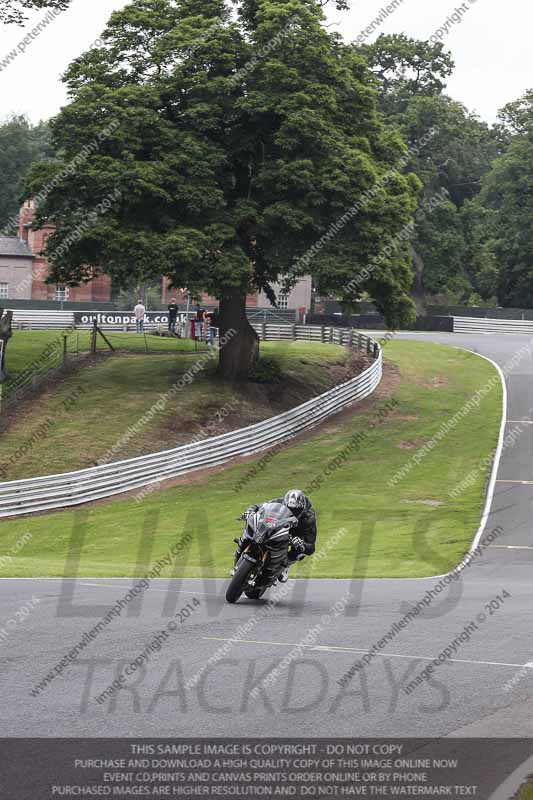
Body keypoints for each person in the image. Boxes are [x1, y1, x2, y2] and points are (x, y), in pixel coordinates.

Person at [233, 490, 317, 583]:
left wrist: (302, 544)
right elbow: (258, 507)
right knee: (252, 526)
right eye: (289, 508)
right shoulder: (279, 501)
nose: (292, 512)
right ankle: (240, 549)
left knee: (300, 552)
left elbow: (311, 546)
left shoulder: (308, 517)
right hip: (278, 524)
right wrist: (249, 511)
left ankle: (285, 566)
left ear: (302, 509)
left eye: (295, 511)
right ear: (285, 502)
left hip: (295, 532)